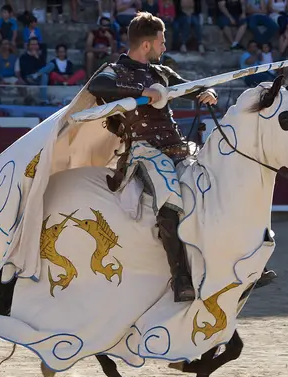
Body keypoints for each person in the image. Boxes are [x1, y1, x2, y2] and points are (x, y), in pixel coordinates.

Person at [85, 12, 218, 303]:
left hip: (178, 147)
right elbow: (98, 87)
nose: (165, 46)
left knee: (214, 186)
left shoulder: (161, 73)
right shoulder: (114, 70)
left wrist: (204, 91)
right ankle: (181, 277)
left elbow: (186, 86)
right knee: (169, 200)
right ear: (146, 45)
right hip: (145, 151)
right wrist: (142, 92)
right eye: (162, 41)